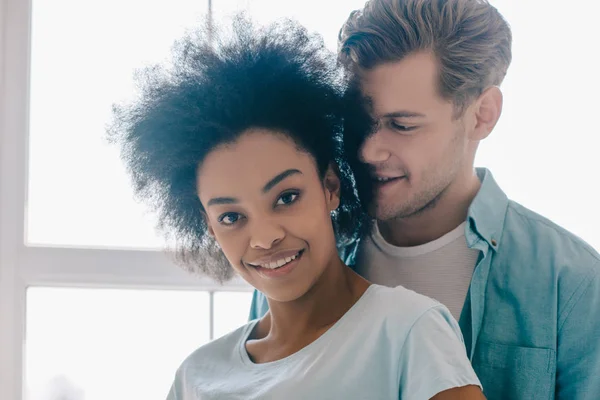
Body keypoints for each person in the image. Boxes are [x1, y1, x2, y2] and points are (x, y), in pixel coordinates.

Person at [109, 16, 485, 400]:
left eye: (286, 198)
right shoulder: (196, 375)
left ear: (330, 187)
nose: (266, 236)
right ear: (209, 227)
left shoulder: (408, 331)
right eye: (231, 217)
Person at [249, 1, 600, 399]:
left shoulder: (572, 283)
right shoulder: (294, 257)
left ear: (482, 115)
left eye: (402, 125)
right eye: (359, 121)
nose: (367, 151)